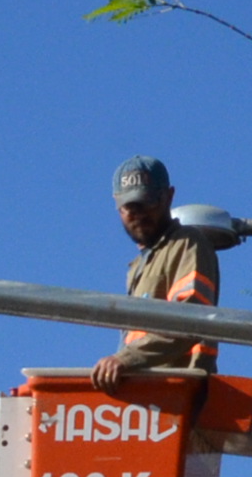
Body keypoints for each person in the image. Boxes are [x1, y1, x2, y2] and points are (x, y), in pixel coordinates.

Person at [92, 155, 222, 387]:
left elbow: (190, 320)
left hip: (180, 390)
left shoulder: (187, 243)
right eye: (130, 207)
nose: (139, 213)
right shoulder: (138, 267)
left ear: (168, 197)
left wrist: (125, 359)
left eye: (147, 202)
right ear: (117, 205)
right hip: (148, 394)